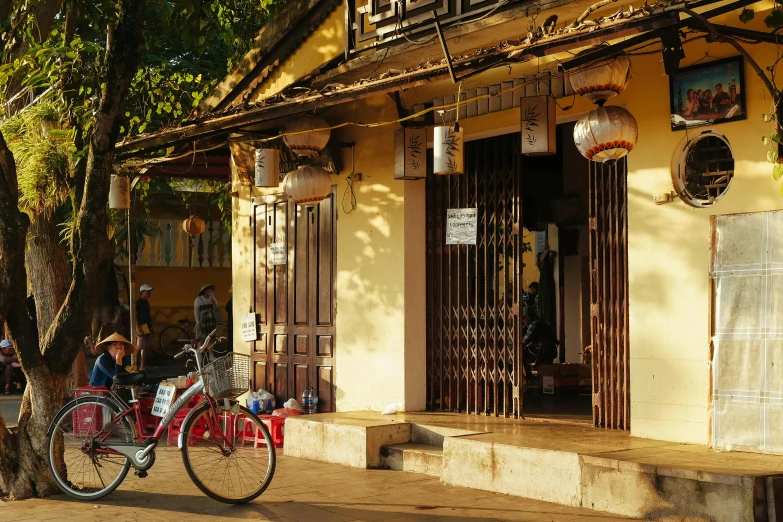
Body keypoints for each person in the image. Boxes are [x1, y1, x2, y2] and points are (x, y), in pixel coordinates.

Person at [521, 307, 558, 379]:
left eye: (523, 319)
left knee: (521, 352)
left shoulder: (533, 324)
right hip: (549, 351)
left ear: (528, 317)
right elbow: (533, 341)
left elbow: (523, 342)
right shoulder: (540, 322)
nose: (523, 321)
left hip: (541, 353)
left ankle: (527, 377)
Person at [135, 284, 154, 371]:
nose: (149, 293)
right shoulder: (138, 303)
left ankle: (142, 365)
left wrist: (151, 327)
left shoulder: (146, 302)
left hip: (147, 326)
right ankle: (135, 364)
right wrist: (137, 328)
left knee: (145, 347)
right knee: (139, 347)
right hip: (141, 327)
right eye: (148, 291)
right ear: (143, 292)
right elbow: (135, 316)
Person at [225, 286, 233, 353]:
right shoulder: (232, 300)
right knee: (231, 337)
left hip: (231, 322)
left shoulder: (231, 300)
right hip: (232, 322)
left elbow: (226, 308)